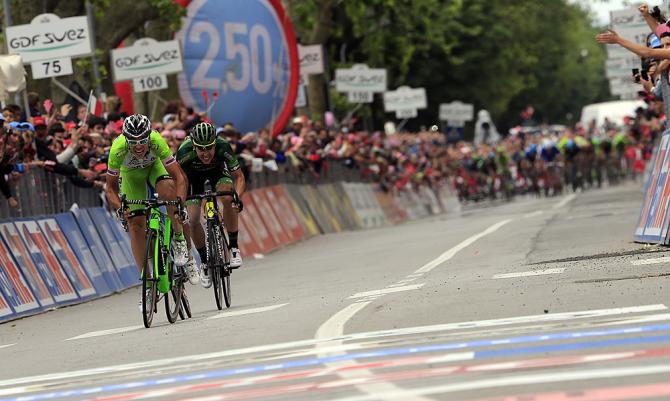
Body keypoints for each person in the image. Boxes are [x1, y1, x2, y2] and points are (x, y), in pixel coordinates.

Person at [105, 114, 197, 309]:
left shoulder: (157, 140)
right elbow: (110, 189)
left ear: (149, 137)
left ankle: (179, 239)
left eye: (143, 141)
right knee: (136, 226)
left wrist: (179, 201)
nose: (138, 147)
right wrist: (121, 208)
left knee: (168, 190)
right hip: (132, 177)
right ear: (125, 140)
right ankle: (147, 285)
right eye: (133, 142)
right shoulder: (117, 149)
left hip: (155, 169)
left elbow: (178, 177)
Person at [176, 122, 245, 288]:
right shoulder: (184, 151)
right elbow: (181, 181)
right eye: (201, 149)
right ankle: (205, 262)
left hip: (218, 174)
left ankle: (234, 247)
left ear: (215, 143)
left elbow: (239, 177)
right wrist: (180, 204)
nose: (206, 153)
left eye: (209, 148)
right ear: (193, 145)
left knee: (228, 199)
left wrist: (237, 197)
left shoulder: (223, 146)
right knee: (192, 220)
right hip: (193, 179)